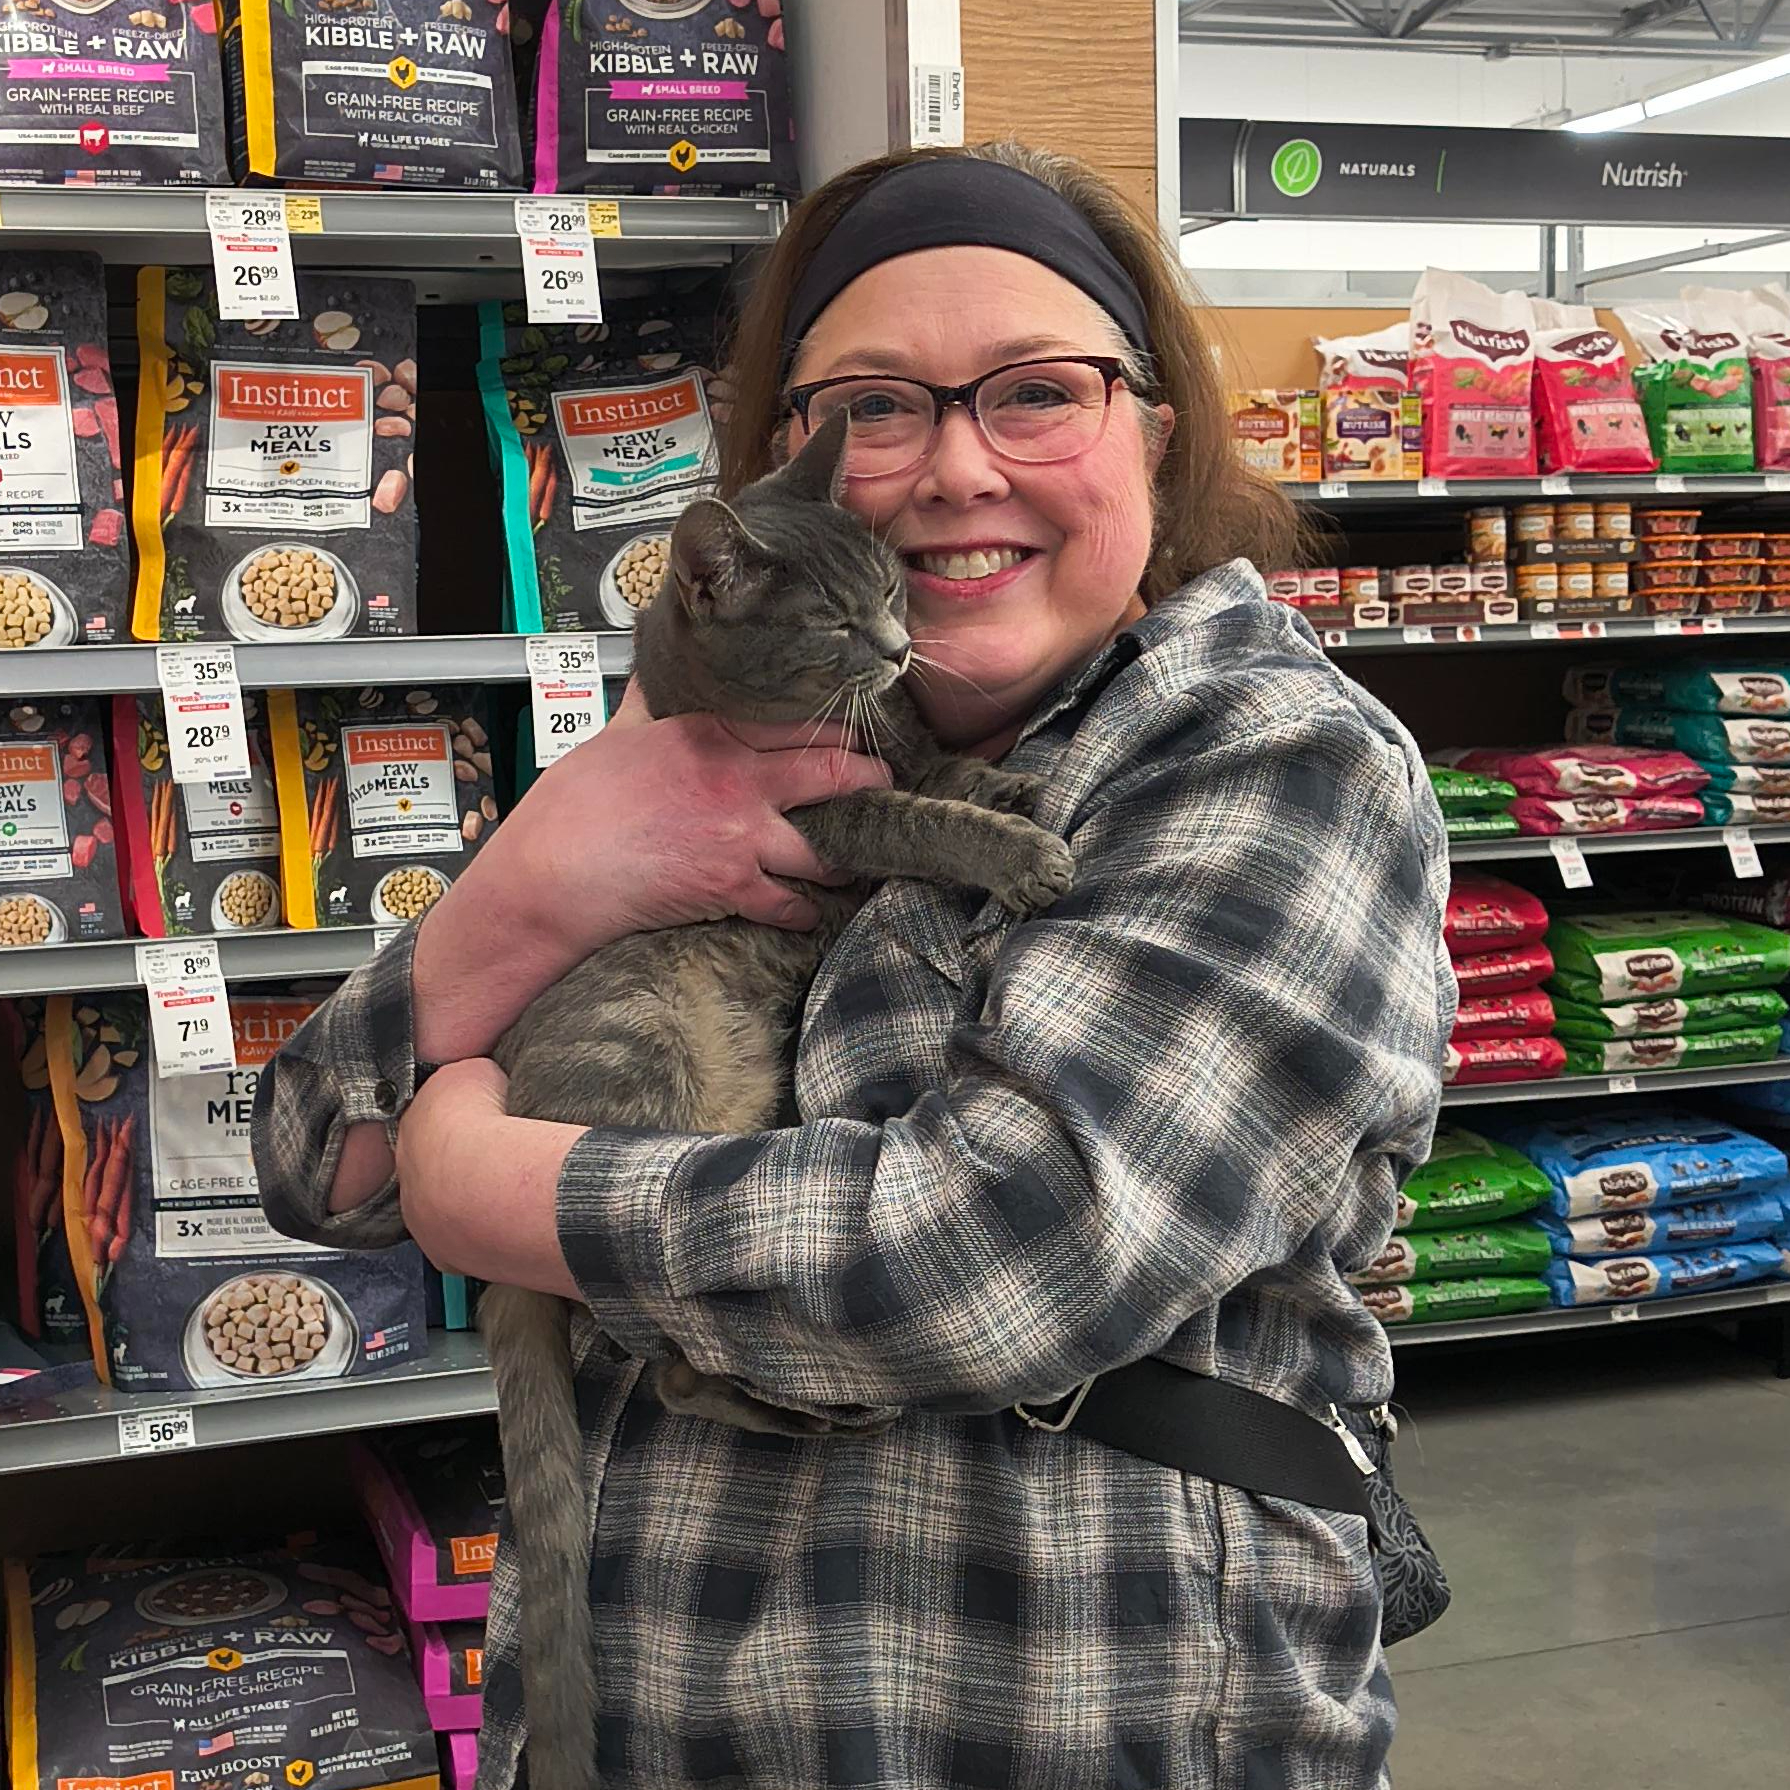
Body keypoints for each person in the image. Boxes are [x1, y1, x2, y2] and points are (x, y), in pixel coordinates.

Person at [254, 143, 1452, 1790]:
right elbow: (313, 1160)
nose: (956, 467)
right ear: (794, 467)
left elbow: (995, 1255)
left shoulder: (1270, 761)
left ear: (1155, 436)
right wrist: (526, 885)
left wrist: (494, 1190)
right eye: (877, 405)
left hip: (1050, 1725)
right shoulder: (732, 735)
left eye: (1038, 393)